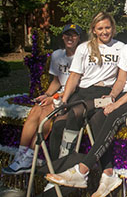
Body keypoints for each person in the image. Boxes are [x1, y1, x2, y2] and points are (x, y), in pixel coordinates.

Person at [45, 16, 127, 197]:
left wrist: (116, 103)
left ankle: (82, 170)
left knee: (110, 116)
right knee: (95, 118)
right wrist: (112, 96)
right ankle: (107, 173)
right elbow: (121, 79)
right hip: (117, 93)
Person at [1, 24, 82, 175]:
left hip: (73, 95)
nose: (70, 38)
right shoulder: (58, 55)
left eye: (74, 35)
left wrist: (54, 98)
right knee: (36, 110)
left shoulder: (83, 55)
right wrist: (47, 95)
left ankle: (30, 156)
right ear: (62, 37)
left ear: (79, 38)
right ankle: (21, 154)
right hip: (58, 94)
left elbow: (77, 85)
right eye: (67, 35)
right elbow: (56, 81)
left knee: (46, 114)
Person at [49, 12, 124, 161]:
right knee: (58, 124)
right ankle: (54, 166)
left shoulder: (121, 47)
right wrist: (64, 99)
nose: (104, 32)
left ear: (113, 28)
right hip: (83, 92)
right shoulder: (84, 48)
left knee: (76, 113)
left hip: (103, 92)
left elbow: (122, 78)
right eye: (100, 28)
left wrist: (113, 95)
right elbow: (74, 76)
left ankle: (66, 162)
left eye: (107, 27)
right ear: (94, 30)